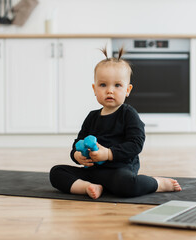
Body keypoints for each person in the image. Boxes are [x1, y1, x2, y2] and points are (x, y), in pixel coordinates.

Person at [49, 47, 182, 199]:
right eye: (103, 85)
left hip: (119, 171)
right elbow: (78, 143)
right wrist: (77, 155)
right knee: (56, 172)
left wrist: (108, 153)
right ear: (94, 88)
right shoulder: (92, 117)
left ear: (128, 90)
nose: (110, 91)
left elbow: (136, 144)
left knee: (127, 185)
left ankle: (157, 183)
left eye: (117, 85)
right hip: (92, 172)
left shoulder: (128, 114)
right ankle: (87, 187)